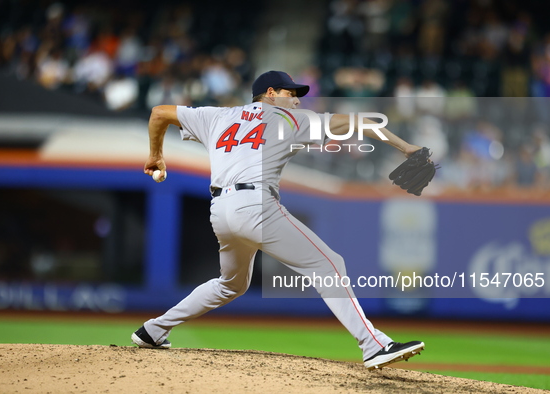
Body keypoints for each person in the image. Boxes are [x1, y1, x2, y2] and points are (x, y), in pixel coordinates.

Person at [131, 70, 425, 370]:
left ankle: (153, 330)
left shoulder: (217, 115)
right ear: (270, 93)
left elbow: (158, 113)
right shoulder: (290, 120)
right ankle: (373, 345)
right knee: (329, 263)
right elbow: (356, 122)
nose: (297, 99)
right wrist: (405, 147)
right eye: (290, 93)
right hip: (256, 205)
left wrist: (156, 154)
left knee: (230, 285)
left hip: (220, 209)